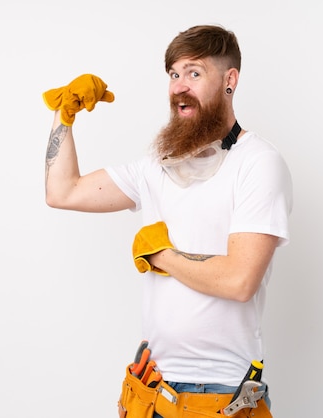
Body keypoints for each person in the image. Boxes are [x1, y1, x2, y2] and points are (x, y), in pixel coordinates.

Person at [42, 24, 292, 418]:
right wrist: (64, 115)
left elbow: (239, 281)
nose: (179, 87)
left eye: (194, 73)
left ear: (230, 81)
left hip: (220, 394)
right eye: (174, 75)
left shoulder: (258, 164)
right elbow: (63, 192)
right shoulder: (157, 167)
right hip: (152, 389)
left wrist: (162, 256)